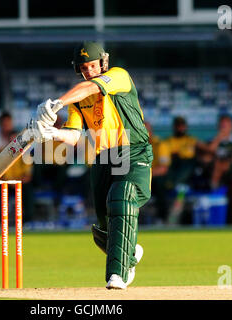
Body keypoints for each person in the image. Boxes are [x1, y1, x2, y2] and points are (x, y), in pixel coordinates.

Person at [26, 41, 153, 289]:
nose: (88, 71)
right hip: (103, 159)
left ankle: (118, 275)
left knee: (122, 197)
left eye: (92, 65)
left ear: (103, 63)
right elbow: (74, 135)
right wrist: (51, 133)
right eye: (83, 68)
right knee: (104, 230)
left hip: (133, 149)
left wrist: (56, 103)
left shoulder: (119, 77)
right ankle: (129, 251)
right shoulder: (78, 101)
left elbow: (89, 87)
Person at [0, 112, 34, 222]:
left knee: (28, 188)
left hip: (18, 183)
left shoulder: (24, 153)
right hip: (4, 182)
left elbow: (28, 175)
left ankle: (28, 221)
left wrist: (17, 182)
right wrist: (7, 181)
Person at [145, 122, 171, 223]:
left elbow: (163, 169)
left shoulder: (160, 144)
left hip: (155, 177)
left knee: (160, 184)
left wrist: (145, 174)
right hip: (143, 177)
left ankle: (162, 217)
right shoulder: (134, 146)